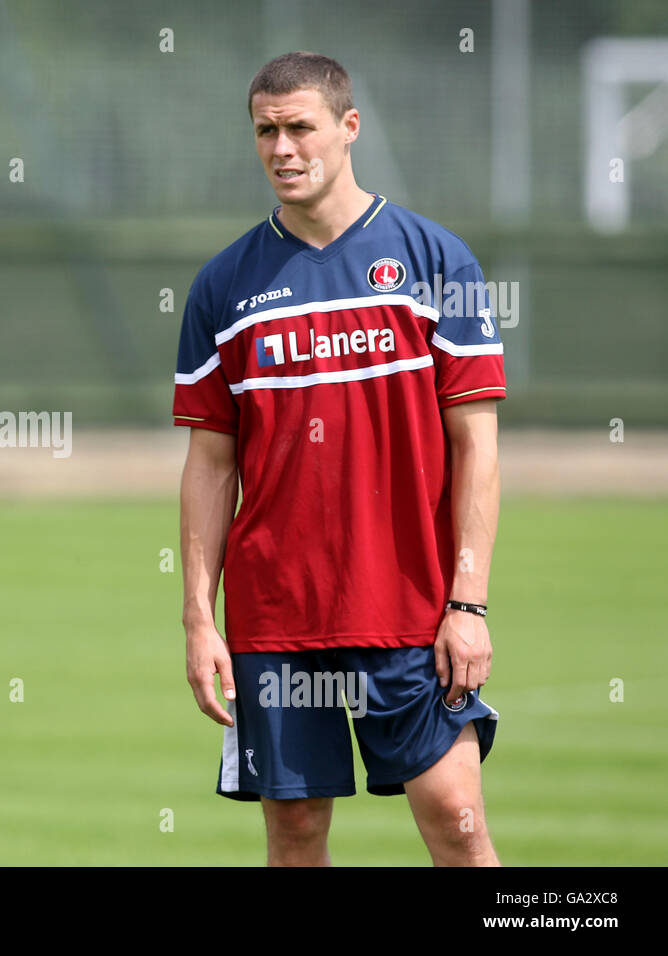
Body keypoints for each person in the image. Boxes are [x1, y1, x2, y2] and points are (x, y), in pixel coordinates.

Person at [175, 53, 505, 866]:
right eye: (265, 131)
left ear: (349, 127)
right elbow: (210, 467)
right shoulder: (223, 287)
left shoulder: (436, 263)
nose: (282, 148)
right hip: (277, 615)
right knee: (294, 834)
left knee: (457, 817)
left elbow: (478, 450)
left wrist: (469, 602)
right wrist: (197, 615)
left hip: (410, 608)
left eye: (300, 127)